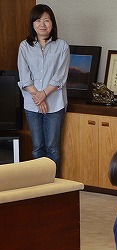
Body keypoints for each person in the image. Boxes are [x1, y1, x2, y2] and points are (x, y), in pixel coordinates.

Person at [17, 4, 69, 177]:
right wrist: (37, 97)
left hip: (55, 104)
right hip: (32, 105)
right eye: (38, 20)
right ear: (32, 24)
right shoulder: (25, 46)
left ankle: (53, 187)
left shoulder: (62, 46)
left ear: (52, 24)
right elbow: (24, 77)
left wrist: (43, 94)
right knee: (37, 147)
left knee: (53, 148)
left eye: (46, 20)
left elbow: (60, 76)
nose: (42, 24)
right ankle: (38, 185)